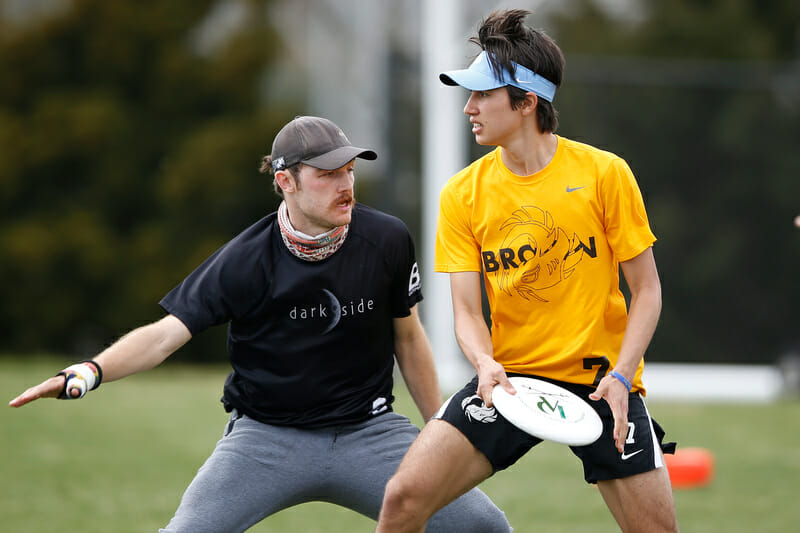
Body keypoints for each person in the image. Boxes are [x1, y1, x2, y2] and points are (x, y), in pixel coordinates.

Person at [9, 116, 511, 533]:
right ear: (284, 181)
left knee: (485, 529)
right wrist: (88, 372)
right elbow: (164, 336)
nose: (346, 184)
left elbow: (408, 337)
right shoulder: (245, 261)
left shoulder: (387, 239)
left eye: (350, 170)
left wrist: (439, 431)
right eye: (328, 174)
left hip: (371, 433)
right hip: (266, 440)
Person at [376, 9, 679, 533]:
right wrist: (484, 363)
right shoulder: (462, 194)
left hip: (600, 382)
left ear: (526, 102)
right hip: (507, 380)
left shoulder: (605, 174)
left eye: (481, 95)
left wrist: (623, 378)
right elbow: (467, 312)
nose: (468, 107)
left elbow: (647, 291)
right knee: (403, 499)